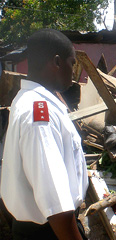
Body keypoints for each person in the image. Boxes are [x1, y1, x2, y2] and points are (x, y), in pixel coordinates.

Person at [0, 29, 89, 239]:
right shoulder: (40, 114)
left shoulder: (30, 100)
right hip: (50, 231)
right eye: (72, 62)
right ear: (57, 62)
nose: (75, 71)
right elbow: (56, 204)